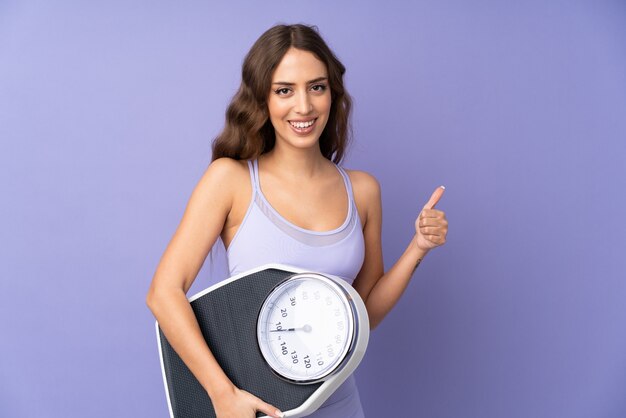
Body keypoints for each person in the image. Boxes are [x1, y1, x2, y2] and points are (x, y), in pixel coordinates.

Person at [146, 23, 448, 418]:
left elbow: (363, 316)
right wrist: (222, 394)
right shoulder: (230, 180)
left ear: (332, 94)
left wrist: (417, 249)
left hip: (340, 405)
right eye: (284, 90)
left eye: (316, 87)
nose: (303, 106)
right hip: (252, 408)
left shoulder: (363, 191)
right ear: (262, 99)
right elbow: (163, 292)